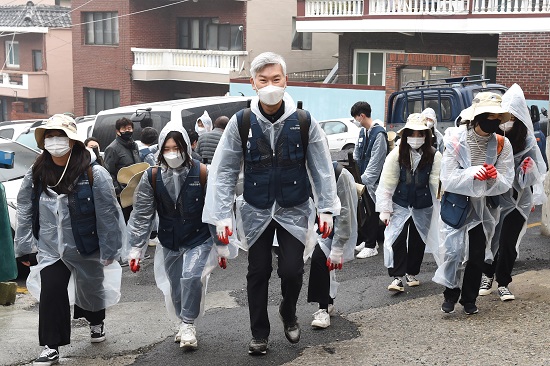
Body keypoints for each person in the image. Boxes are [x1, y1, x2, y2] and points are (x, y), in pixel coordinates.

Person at [202, 52, 340, 355]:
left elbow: (321, 167)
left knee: (292, 270)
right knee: (258, 270)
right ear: (253, 83)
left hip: (294, 207)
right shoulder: (242, 122)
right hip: (256, 208)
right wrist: (222, 215)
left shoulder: (304, 122)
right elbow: (224, 171)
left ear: (286, 81)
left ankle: (288, 312)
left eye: (276, 79)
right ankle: (259, 334)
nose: (270, 85)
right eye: (263, 80)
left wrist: (327, 207)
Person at [13, 114, 124, 365]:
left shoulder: (94, 173)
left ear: (72, 141)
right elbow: (25, 208)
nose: (54, 141)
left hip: (86, 244)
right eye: (50, 136)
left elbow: (107, 214)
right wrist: (25, 247)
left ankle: (96, 322)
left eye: (60, 136)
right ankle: (51, 346)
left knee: (91, 288)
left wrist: (109, 249)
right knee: (52, 291)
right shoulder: (37, 172)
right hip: (51, 248)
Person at [127, 121, 219, 350]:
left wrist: (222, 244)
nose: (172, 153)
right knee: (176, 284)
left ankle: (189, 324)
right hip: (169, 239)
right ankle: (182, 321)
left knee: (191, 277)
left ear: (186, 148)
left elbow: (216, 211)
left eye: (176, 148)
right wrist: (136, 248)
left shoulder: (202, 173)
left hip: (198, 237)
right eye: (166, 149)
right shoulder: (152, 176)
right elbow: (142, 214)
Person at [432, 92, 514, 315]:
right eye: (489, 116)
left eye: (497, 118)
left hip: (485, 206)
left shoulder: (501, 144)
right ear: (477, 117)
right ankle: (450, 294)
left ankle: (469, 298)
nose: (493, 122)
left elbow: (507, 179)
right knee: (453, 251)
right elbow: (448, 178)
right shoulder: (456, 140)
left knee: (477, 254)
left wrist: (493, 176)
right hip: (457, 203)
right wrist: (470, 173)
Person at [479, 84, 547, 301]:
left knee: (508, 242)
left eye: (513, 118)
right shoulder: (493, 137)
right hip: (496, 198)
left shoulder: (527, 139)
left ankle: (503, 282)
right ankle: (487, 275)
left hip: (519, 200)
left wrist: (528, 172)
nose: (507, 122)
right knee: (492, 239)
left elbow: (535, 170)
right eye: (504, 117)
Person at [375, 113, 442, 292]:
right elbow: (387, 183)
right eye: (412, 133)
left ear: (426, 136)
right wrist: (385, 209)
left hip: (423, 204)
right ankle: (397, 277)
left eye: (421, 134)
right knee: (397, 237)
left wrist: (442, 199)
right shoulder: (396, 155)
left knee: (418, 240)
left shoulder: (434, 155)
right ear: (405, 135)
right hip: (400, 203)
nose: (416, 137)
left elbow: (436, 181)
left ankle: (411, 272)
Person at [307, 162, 358, 329]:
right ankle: (327, 302)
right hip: (312, 225)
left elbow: (345, 213)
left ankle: (322, 308)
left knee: (319, 260)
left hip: (333, 227)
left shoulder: (339, 175)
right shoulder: (298, 171)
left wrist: (337, 247)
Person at [351, 101, 387, 258]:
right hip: (363, 179)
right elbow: (357, 154)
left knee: (372, 211)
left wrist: (363, 179)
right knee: (364, 210)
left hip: (373, 182)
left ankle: (372, 245)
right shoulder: (363, 133)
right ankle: (367, 240)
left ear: (362, 116)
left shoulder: (379, 134)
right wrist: (357, 176)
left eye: (355, 118)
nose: (355, 121)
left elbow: (376, 161)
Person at [103, 117, 140, 222]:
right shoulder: (112, 148)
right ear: (118, 131)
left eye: (129, 128)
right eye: (124, 128)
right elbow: (108, 171)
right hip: (123, 193)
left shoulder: (134, 145)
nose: (127, 131)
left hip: (136, 190)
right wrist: (117, 190)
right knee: (125, 221)